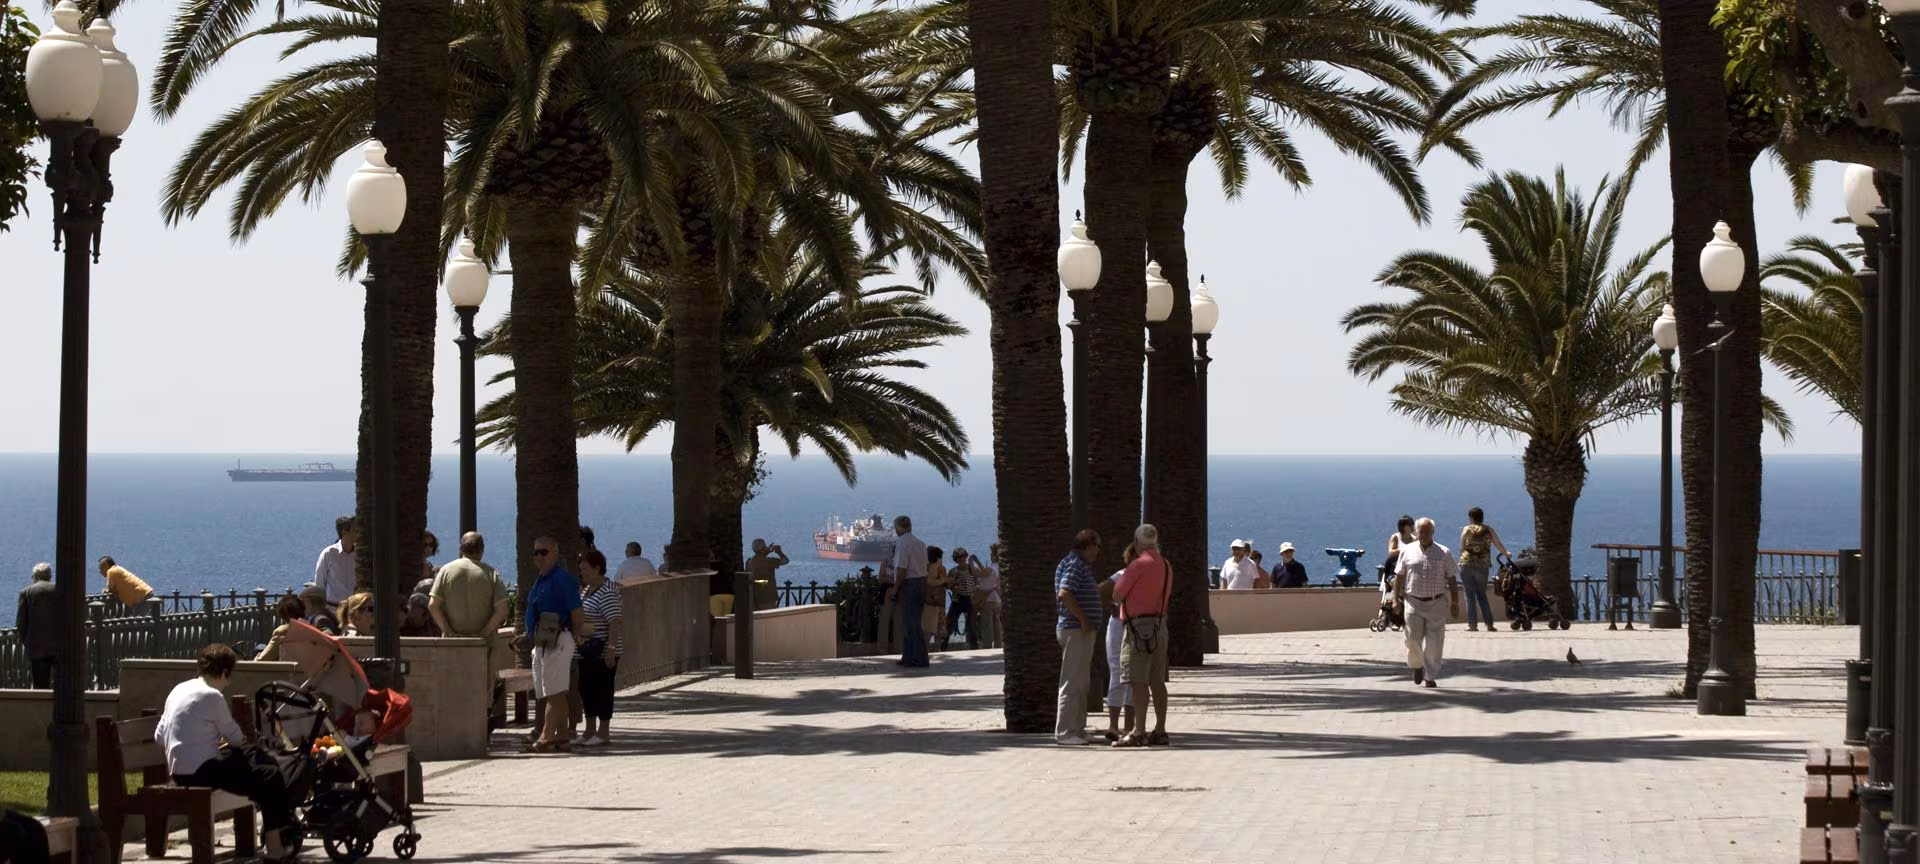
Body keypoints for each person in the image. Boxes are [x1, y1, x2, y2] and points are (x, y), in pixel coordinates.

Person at [156, 644, 298, 858]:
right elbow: (235, 738)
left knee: (256, 769)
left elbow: (159, 736)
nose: (228, 683)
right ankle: (275, 847)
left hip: (178, 771)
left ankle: (274, 834)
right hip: (201, 773)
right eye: (229, 677)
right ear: (224, 673)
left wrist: (200, 741)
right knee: (269, 774)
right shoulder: (212, 696)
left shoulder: (179, 689)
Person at [516, 536, 586, 752]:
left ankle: (546, 737)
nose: (538, 557)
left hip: (558, 639)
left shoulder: (562, 579)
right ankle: (562, 736)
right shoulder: (541, 579)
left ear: (555, 552)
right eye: (535, 552)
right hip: (542, 641)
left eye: (543, 552)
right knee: (552, 691)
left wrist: (576, 635)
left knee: (554, 693)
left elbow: (576, 612)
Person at [1113, 524, 1173, 748]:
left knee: (1138, 681)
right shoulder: (1166, 565)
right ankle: (1161, 729)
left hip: (1137, 629)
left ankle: (1138, 731)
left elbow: (1117, 595)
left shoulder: (1137, 566)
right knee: (1157, 680)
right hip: (1159, 626)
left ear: (1137, 543)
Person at [1395, 517, 1459, 688]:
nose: (1423, 535)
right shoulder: (1407, 551)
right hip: (1413, 602)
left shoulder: (1444, 552)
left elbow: (1452, 578)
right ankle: (1417, 665)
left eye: (1427, 532)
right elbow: (1399, 576)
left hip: (1436, 602)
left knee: (1434, 642)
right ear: (1416, 532)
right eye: (1420, 531)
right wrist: (1396, 599)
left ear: (1433, 532)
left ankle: (1430, 676)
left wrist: (1455, 602)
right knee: (1412, 639)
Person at [1052, 530, 1102, 746]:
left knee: (1081, 682)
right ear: (1087, 545)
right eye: (1096, 546)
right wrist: (1082, 618)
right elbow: (1064, 592)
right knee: (1071, 681)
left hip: (1081, 631)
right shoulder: (1074, 564)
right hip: (1075, 630)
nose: (1098, 551)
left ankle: (1078, 729)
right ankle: (1064, 732)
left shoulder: (1079, 565)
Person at [574, 549, 625, 747]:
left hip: (603, 651)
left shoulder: (608, 591)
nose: (582, 573)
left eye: (585, 569)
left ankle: (603, 732)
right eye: (581, 569)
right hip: (586, 650)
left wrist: (611, 648)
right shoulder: (587, 590)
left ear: (597, 569)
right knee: (586, 689)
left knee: (602, 690)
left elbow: (614, 622)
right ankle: (589, 730)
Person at [429, 531, 510, 638]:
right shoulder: (491, 574)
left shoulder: (445, 571)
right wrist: (484, 633)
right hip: (483, 645)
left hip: (452, 643)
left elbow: (433, 605)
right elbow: (503, 609)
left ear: (460, 549)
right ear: (482, 551)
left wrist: (448, 631)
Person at [1099, 544, 1138, 743]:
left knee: (1132, 675)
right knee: (1118, 671)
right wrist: (1115, 607)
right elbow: (1101, 589)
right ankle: (1114, 725)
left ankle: (1128, 726)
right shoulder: (1122, 574)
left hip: (1137, 626)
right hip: (1120, 625)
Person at [1459, 507, 1510, 632]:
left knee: (1469, 595)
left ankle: (1472, 625)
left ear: (1471, 517)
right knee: (1482, 595)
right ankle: (1489, 624)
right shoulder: (1488, 530)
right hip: (1483, 565)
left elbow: (1462, 547)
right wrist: (1506, 553)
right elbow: (1497, 543)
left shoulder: (1466, 529)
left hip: (1467, 564)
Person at [890, 516, 930, 668]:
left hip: (909, 585)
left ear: (898, 528)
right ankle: (908, 656)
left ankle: (920, 658)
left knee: (911, 624)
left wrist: (895, 590)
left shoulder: (901, 543)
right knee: (912, 622)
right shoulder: (920, 544)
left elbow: (901, 570)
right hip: (920, 583)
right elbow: (924, 567)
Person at [17, 564, 59, 689]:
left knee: (40, 686)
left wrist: (26, 641)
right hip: (60, 645)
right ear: (50, 576)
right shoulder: (61, 590)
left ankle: (43, 708)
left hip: (36, 646)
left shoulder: (26, 592)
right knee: (63, 686)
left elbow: (21, 622)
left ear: (35, 577)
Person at [315, 515, 358, 611]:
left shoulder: (359, 554)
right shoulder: (329, 553)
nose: (359, 532)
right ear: (344, 532)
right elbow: (320, 583)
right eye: (355, 529)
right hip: (333, 609)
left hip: (354, 610)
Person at [254, 594, 308, 660]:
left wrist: (257, 656)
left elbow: (262, 659)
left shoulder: (282, 631)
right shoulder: (309, 627)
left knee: (259, 648)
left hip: (286, 669)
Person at [947, 548, 979, 650]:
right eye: (958, 557)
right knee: (949, 623)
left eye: (963, 556)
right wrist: (953, 587)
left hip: (970, 599)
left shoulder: (972, 569)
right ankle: (943, 646)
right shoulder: (953, 571)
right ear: (955, 559)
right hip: (957, 600)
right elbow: (948, 585)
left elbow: (978, 582)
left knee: (971, 625)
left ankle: (974, 648)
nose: (961, 559)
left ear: (966, 556)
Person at [747, 539, 790, 610]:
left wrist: (765, 552)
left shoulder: (750, 561)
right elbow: (785, 561)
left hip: (755, 597)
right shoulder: (767, 561)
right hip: (768, 597)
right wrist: (779, 552)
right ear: (763, 549)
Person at [973, 546, 1002, 649]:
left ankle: (987, 645)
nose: (990, 556)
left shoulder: (992, 568)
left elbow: (978, 574)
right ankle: (999, 645)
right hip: (998, 599)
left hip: (988, 598)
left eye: (991, 554)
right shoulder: (1001, 567)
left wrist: (974, 561)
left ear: (994, 556)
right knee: (997, 623)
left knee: (987, 624)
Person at [923, 546, 951, 653]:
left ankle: (924, 650)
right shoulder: (940, 568)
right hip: (939, 601)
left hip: (928, 601)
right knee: (938, 630)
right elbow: (946, 584)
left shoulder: (924, 567)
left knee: (927, 629)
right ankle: (937, 649)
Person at [1383, 515, 1415, 590]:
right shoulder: (1396, 537)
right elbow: (1391, 552)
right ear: (1405, 527)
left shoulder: (1414, 539)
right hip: (1394, 571)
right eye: (1411, 524)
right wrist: (1405, 549)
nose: (1413, 526)